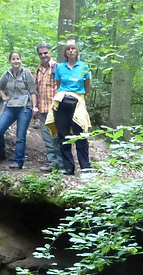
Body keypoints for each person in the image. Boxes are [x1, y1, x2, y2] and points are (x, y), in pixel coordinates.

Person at [47, 40, 92, 175]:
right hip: (61, 102)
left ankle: (85, 167)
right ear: (65, 52)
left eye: (73, 49)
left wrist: (79, 95)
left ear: (76, 51)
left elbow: (87, 86)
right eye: (68, 49)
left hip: (77, 102)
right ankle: (69, 167)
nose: (71, 51)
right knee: (63, 135)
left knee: (81, 134)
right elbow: (58, 83)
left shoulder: (84, 67)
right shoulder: (60, 67)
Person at [0, 51, 37, 169]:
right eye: (13, 59)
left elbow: (33, 91)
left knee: (20, 136)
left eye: (18, 58)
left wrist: (34, 106)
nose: (16, 61)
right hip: (11, 107)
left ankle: (19, 161)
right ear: (10, 61)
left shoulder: (26, 74)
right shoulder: (7, 74)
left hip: (24, 108)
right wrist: (3, 96)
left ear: (21, 60)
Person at [32, 43, 62, 172]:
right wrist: (35, 107)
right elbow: (36, 90)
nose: (43, 55)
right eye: (40, 53)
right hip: (42, 109)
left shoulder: (58, 68)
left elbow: (62, 87)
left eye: (45, 53)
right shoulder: (38, 70)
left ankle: (61, 163)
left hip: (55, 109)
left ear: (50, 53)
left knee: (57, 137)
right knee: (47, 138)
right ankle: (52, 163)